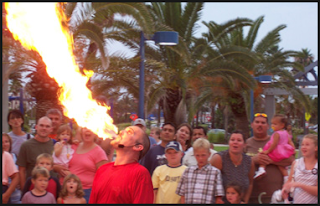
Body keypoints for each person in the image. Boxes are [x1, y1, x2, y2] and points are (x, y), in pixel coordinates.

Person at [89, 126, 154, 203]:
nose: (121, 132)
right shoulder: (102, 169)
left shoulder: (140, 174)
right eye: (124, 129)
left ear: (137, 147)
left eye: (129, 132)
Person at [245, 113, 295, 203]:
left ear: (268, 126)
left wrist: (271, 160)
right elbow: (239, 163)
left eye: (263, 123)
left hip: (275, 197)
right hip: (252, 197)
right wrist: (254, 160)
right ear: (252, 125)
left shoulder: (277, 139)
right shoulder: (246, 143)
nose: (260, 124)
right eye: (257, 122)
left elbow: (291, 160)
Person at [53, 127, 108, 203]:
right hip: (65, 190)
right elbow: (57, 159)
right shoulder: (73, 146)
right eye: (85, 128)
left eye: (91, 128)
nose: (88, 130)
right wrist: (56, 168)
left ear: (96, 133)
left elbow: (104, 178)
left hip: (85, 192)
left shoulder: (99, 152)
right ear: (81, 132)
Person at [210, 130, 255, 203]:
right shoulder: (219, 158)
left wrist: (245, 201)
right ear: (229, 143)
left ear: (244, 144)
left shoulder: (249, 162)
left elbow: (250, 183)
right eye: (232, 140)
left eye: (239, 140)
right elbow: (210, 182)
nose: (235, 142)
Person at [176, 138, 224, 204]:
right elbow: (182, 195)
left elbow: (218, 197)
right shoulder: (187, 172)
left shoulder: (215, 173)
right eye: (197, 155)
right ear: (194, 155)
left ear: (209, 154)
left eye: (203, 155)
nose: (200, 158)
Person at [16, 116, 54, 190]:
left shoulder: (57, 145)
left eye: (47, 126)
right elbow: (21, 170)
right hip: (32, 190)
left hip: (51, 189)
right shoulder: (26, 145)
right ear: (36, 127)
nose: (44, 128)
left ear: (51, 129)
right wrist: (24, 190)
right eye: (41, 125)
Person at [254, 114, 295, 180]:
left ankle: (261, 169)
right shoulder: (285, 132)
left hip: (277, 151)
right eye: (272, 124)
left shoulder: (276, 134)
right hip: (284, 151)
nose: (272, 126)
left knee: (263, 156)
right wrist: (293, 149)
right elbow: (290, 142)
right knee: (281, 166)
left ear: (282, 125)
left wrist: (267, 151)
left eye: (275, 124)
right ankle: (286, 178)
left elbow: (274, 144)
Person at [281, 134, 318, 204]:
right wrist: (285, 189)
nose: (303, 147)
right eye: (302, 144)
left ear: (316, 148)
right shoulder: (296, 163)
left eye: (307, 145)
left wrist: (299, 185)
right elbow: (289, 182)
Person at [2, 133, 21, 203]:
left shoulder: (8, 156)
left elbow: (17, 176)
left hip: (8, 190)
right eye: (2, 142)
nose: (4, 144)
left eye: (6, 141)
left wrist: (6, 195)